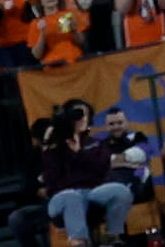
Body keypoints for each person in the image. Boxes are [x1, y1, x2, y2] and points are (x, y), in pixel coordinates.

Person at [35, 103, 136, 247]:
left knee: (121, 191)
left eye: (85, 115)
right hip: (61, 197)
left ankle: (112, 236)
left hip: (92, 192)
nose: (83, 119)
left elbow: (102, 170)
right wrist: (49, 147)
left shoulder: (95, 144)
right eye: (78, 115)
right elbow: (51, 180)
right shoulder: (54, 148)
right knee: (72, 196)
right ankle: (79, 243)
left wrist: (79, 153)